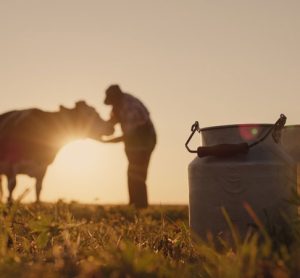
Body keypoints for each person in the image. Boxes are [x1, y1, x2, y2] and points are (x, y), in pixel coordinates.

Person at [101, 84, 156, 208]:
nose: (111, 106)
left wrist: (107, 141)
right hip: (133, 143)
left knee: (137, 174)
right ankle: (134, 205)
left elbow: (130, 135)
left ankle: (140, 207)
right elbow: (111, 123)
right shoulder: (118, 106)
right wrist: (98, 130)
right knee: (132, 173)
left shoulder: (130, 106)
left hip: (143, 142)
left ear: (115, 98)